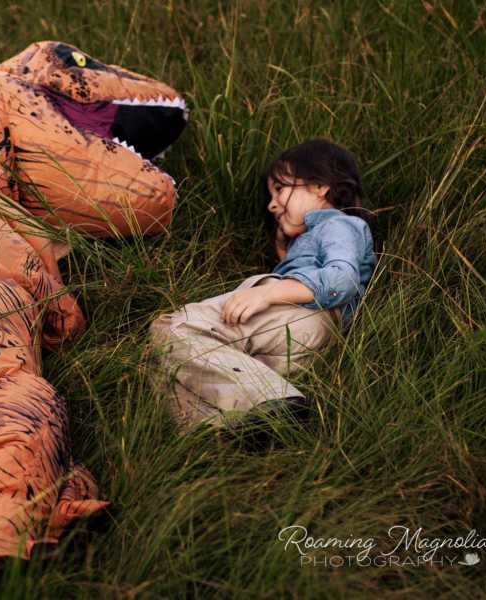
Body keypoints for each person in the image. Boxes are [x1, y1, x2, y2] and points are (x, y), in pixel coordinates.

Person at [149, 139, 376, 430]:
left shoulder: (338, 224)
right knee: (171, 368)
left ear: (320, 186)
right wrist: (286, 251)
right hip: (301, 341)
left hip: (305, 315)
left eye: (280, 189)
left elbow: (341, 279)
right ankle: (219, 431)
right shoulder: (316, 235)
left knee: (172, 329)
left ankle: (265, 402)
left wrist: (272, 290)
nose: (271, 204)